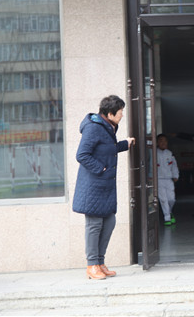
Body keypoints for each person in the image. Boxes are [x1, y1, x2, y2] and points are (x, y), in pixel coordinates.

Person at [73, 95, 135, 280]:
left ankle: (99, 263)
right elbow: (82, 155)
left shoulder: (106, 127)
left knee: (109, 222)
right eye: (120, 111)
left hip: (104, 186)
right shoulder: (94, 128)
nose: (122, 115)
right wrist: (101, 169)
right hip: (93, 186)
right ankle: (92, 265)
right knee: (94, 225)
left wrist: (125, 144)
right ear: (110, 113)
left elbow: (106, 149)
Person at [157, 133, 179, 226]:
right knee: (163, 199)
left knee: (171, 199)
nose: (163, 143)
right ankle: (167, 218)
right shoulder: (154, 153)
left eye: (165, 141)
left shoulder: (170, 153)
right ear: (157, 143)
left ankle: (169, 212)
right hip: (159, 179)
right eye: (161, 141)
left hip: (169, 179)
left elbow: (174, 166)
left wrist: (176, 176)